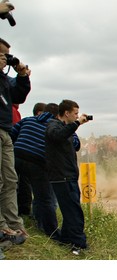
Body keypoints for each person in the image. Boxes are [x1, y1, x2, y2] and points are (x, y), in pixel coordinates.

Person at [45, 99, 90, 255]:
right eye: (75, 113)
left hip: (68, 175)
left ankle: (65, 239)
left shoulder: (65, 128)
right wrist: (76, 124)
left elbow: (74, 144)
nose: (77, 116)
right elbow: (56, 135)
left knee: (70, 210)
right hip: (61, 176)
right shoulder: (53, 125)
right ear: (66, 113)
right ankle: (78, 244)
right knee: (74, 212)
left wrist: (74, 126)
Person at [10, 103, 60, 239]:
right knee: (45, 198)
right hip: (38, 162)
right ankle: (51, 232)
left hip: (17, 156)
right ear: (58, 115)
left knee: (10, 188)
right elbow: (73, 143)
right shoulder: (56, 126)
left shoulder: (27, 120)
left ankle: (14, 219)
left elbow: (11, 134)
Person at [0, 37, 31, 245]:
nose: (6, 59)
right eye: (2, 54)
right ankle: (2, 225)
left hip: (5, 129)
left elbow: (18, 96)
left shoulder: (3, 78)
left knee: (11, 180)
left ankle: (14, 223)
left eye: (7, 55)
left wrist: (22, 76)